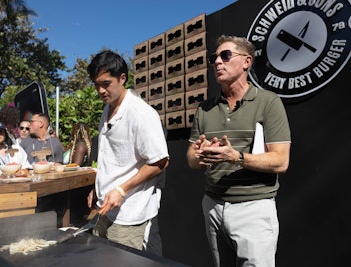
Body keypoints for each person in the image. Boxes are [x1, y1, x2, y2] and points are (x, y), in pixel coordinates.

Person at [186, 35, 291, 267]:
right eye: (214, 58)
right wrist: (200, 155)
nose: (217, 62)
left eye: (225, 56)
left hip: (253, 208)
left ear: (246, 62)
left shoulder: (268, 102)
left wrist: (236, 157)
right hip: (212, 205)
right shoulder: (205, 109)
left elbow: (281, 161)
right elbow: (191, 159)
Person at [86, 50, 169, 252]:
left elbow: (160, 162)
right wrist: (98, 187)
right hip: (106, 206)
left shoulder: (141, 113)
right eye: (97, 85)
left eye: (106, 84)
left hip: (130, 213)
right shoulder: (107, 109)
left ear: (122, 78)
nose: (100, 90)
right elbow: (113, 158)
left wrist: (122, 190)